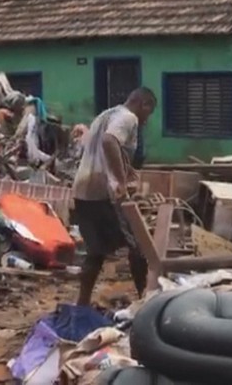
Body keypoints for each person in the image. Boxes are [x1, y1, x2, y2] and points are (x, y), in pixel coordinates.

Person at [72, 87, 157, 305]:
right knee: (138, 245)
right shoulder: (128, 118)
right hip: (104, 191)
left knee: (95, 250)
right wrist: (120, 181)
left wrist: (125, 169)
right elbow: (109, 141)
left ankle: (82, 303)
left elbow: (95, 148)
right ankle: (144, 300)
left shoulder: (105, 115)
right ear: (143, 104)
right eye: (150, 111)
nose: (147, 118)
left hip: (83, 190)